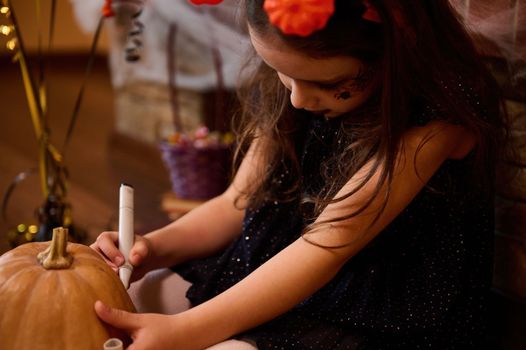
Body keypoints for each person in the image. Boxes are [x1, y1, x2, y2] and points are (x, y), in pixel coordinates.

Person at [91, 0, 507, 349]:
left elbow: (327, 247)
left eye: (327, 83)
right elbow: (234, 204)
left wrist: (185, 332)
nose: (298, 98)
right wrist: (152, 248)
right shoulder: (297, 92)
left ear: (397, 48)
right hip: (288, 274)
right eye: (281, 73)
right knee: (136, 296)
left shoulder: (435, 121)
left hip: (378, 311)